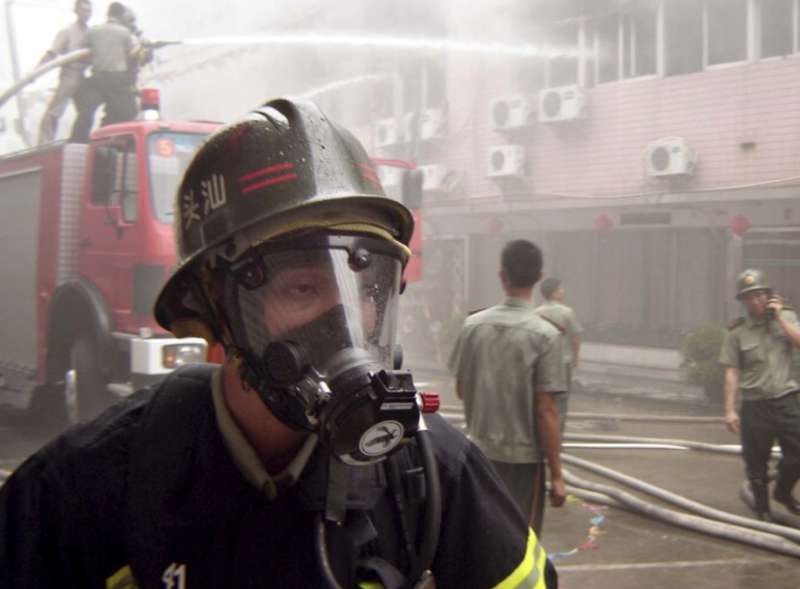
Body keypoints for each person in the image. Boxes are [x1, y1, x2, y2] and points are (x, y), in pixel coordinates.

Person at [0, 99, 557, 589]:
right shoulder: (82, 492)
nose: (344, 318)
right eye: (301, 286)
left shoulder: (436, 474)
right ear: (217, 307)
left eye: (365, 284)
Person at [449, 239, 567, 537]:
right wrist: (557, 474)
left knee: (479, 538)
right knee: (519, 542)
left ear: (502, 276)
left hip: (476, 454)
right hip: (523, 463)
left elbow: (461, 390)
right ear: (539, 277)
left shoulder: (472, 327)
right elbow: (546, 412)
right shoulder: (547, 336)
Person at [719, 268, 800, 521]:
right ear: (742, 302)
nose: (755, 301)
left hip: (786, 400)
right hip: (755, 406)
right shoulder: (737, 333)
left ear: (768, 295)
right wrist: (730, 409)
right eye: (748, 297)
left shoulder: (786, 317)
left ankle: (783, 493)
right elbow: (732, 372)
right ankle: (763, 512)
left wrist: (779, 319)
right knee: (756, 465)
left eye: (759, 295)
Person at [69, 2, 143, 142]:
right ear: (120, 16)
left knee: (85, 113)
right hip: (118, 82)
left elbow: (84, 53)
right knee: (131, 116)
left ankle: (78, 141)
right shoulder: (126, 33)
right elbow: (134, 54)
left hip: (98, 79)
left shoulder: (93, 31)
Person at [37, 0, 92, 144]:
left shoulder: (91, 33)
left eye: (88, 11)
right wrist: (37, 71)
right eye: (83, 10)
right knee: (54, 112)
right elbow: (52, 53)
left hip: (83, 76)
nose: (86, 14)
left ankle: (80, 142)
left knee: (86, 111)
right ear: (76, 11)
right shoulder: (67, 31)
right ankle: (44, 144)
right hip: (69, 75)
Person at [535, 277, 583, 432]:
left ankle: (542, 435)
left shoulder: (536, 313)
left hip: (543, 363)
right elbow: (575, 337)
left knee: (543, 400)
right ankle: (557, 436)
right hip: (563, 363)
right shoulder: (567, 312)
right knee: (561, 402)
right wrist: (576, 357)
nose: (563, 291)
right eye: (560, 289)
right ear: (555, 293)